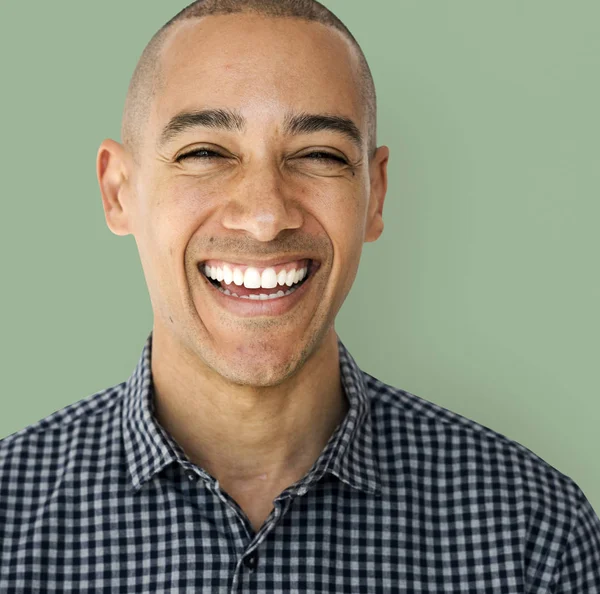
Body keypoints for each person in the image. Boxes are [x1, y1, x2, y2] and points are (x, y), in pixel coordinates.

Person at [1, 0, 599, 591]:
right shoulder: (9, 519)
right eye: (205, 153)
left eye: (318, 155)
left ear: (376, 194)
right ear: (118, 192)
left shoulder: (534, 537)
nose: (265, 215)